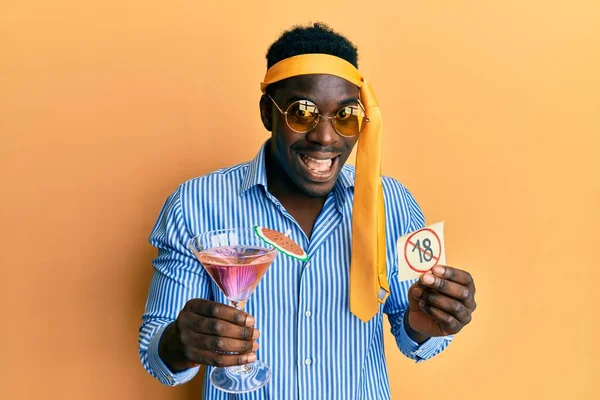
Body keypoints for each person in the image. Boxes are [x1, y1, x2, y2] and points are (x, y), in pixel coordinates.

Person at [139, 22, 477, 399]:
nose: (326, 137)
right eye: (302, 113)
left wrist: (427, 322)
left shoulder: (391, 203)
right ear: (268, 113)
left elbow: (413, 331)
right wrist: (177, 344)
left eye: (346, 116)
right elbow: (156, 353)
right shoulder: (195, 204)